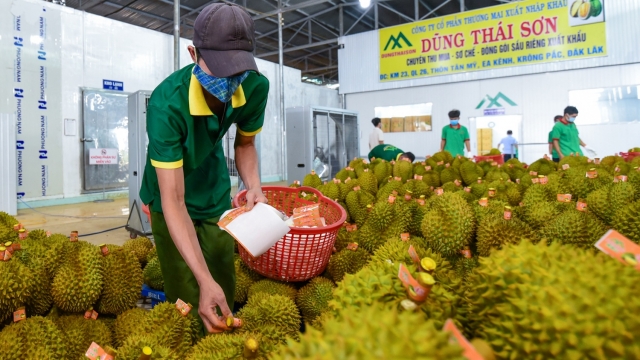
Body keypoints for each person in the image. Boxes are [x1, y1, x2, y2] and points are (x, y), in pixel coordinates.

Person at [139, 3, 269, 336]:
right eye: (221, 68)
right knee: (186, 285)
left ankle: (223, 339)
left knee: (222, 276)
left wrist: (253, 184)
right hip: (168, 191)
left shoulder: (254, 86)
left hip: (212, 185)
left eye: (237, 69)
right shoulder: (167, 103)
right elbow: (174, 200)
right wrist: (202, 279)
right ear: (193, 53)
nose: (230, 81)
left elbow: (244, 145)